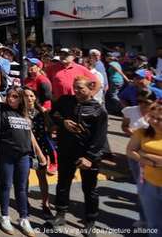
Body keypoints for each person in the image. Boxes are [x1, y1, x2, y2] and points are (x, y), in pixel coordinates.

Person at [49, 76, 108, 235]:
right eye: (75, 87)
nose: (76, 91)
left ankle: (90, 222)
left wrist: (89, 157)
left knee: (90, 190)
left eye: (80, 88)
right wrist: (63, 122)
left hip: (88, 156)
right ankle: (60, 214)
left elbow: (100, 137)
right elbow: (53, 113)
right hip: (66, 150)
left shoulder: (98, 110)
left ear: (90, 88)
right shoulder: (65, 100)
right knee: (63, 183)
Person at [0, 86, 45, 236]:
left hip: (24, 156)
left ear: (20, 99)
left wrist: (40, 154)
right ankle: (4, 216)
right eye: (9, 96)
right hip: (6, 155)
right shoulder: (1, 109)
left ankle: (24, 218)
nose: (11, 99)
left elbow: (30, 135)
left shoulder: (25, 115)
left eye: (15, 96)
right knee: (6, 185)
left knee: (22, 187)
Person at [121, 88, 157, 227]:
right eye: (139, 101)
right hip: (136, 155)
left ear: (154, 101)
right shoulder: (130, 111)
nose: (142, 105)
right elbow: (124, 125)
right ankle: (144, 219)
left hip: (154, 156)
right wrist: (129, 131)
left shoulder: (158, 114)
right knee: (142, 188)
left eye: (146, 102)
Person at [126, 100, 162, 232]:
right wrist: (151, 161)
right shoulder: (142, 132)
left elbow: (137, 151)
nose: (154, 121)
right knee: (154, 225)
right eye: (152, 117)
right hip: (149, 185)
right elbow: (130, 151)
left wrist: (145, 154)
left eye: (159, 119)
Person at [24, 87, 58, 215]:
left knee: (42, 177)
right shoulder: (20, 112)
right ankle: (24, 201)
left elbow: (51, 129)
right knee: (24, 178)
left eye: (32, 96)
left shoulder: (41, 112)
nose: (29, 98)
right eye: (26, 96)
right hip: (25, 149)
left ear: (36, 97)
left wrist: (48, 115)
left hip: (41, 148)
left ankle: (45, 203)